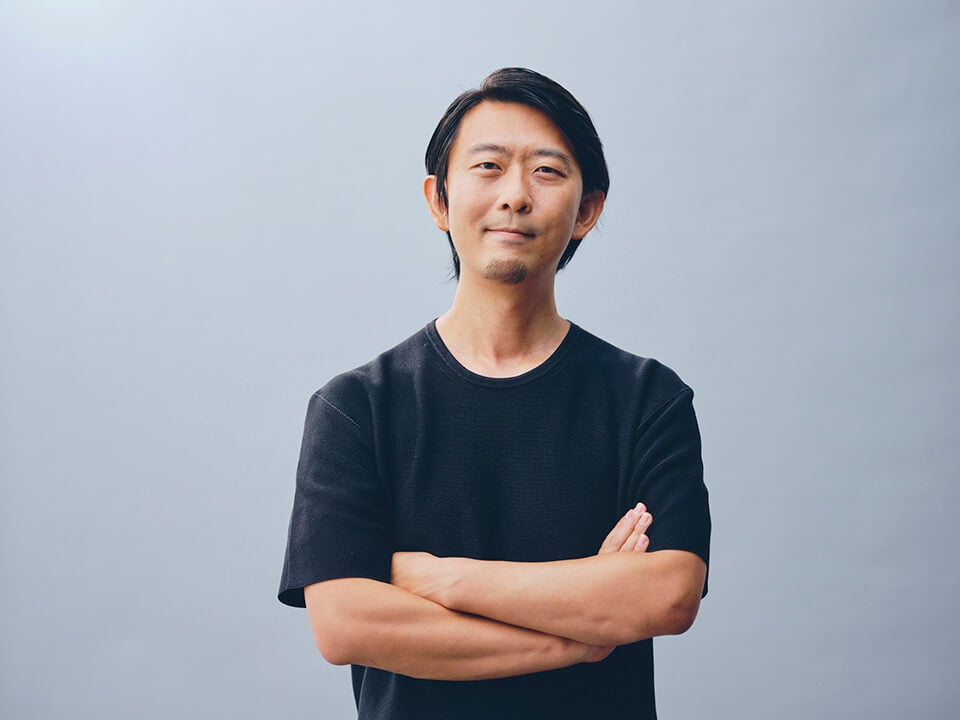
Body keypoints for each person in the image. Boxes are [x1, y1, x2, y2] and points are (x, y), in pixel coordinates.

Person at [278, 67, 711, 719]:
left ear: (587, 210)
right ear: (439, 201)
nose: (515, 195)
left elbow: (668, 594)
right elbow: (345, 624)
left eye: (546, 171)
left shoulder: (647, 399)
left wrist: (440, 577)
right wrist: (578, 638)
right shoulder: (356, 407)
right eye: (488, 166)